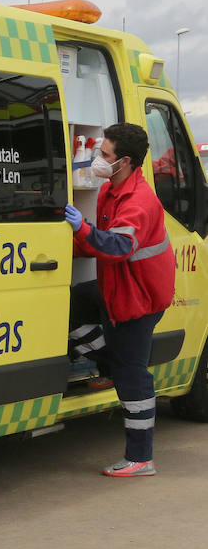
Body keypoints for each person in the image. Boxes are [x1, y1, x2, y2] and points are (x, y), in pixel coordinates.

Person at [64, 122, 175, 478]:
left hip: (138, 299)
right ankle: (111, 366)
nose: (98, 159)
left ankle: (141, 458)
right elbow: (100, 240)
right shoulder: (111, 189)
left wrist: (81, 228)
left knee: (133, 374)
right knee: (70, 307)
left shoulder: (139, 200)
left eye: (105, 154)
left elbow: (118, 246)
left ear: (124, 161)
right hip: (117, 287)